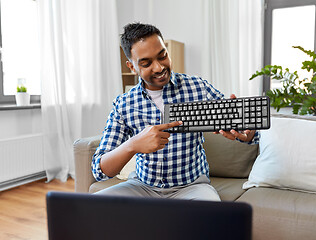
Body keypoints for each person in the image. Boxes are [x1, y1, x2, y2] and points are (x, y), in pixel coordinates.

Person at [91, 22, 259, 201]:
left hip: (192, 186)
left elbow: (250, 132)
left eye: (162, 56)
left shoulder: (198, 88)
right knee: (93, 207)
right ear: (131, 67)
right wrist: (133, 145)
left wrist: (247, 133)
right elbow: (100, 171)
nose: (159, 68)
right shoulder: (124, 104)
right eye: (146, 63)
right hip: (142, 186)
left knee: (212, 218)